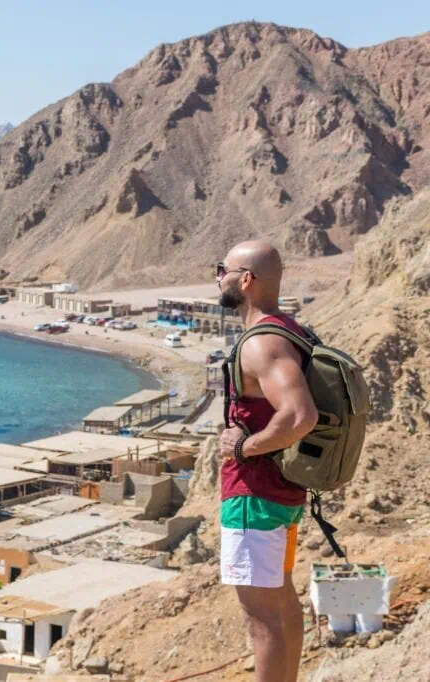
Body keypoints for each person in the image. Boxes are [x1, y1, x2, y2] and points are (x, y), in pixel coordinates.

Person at [216, 240, 318, 682]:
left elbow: (299, 415)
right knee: (281, 603)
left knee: (261, 618)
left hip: (255, 499)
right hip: (281, 493)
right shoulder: (289, 330)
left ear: (246, 280)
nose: (218, 277)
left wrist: (244, 447)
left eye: (222, 269)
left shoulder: (261, 344)